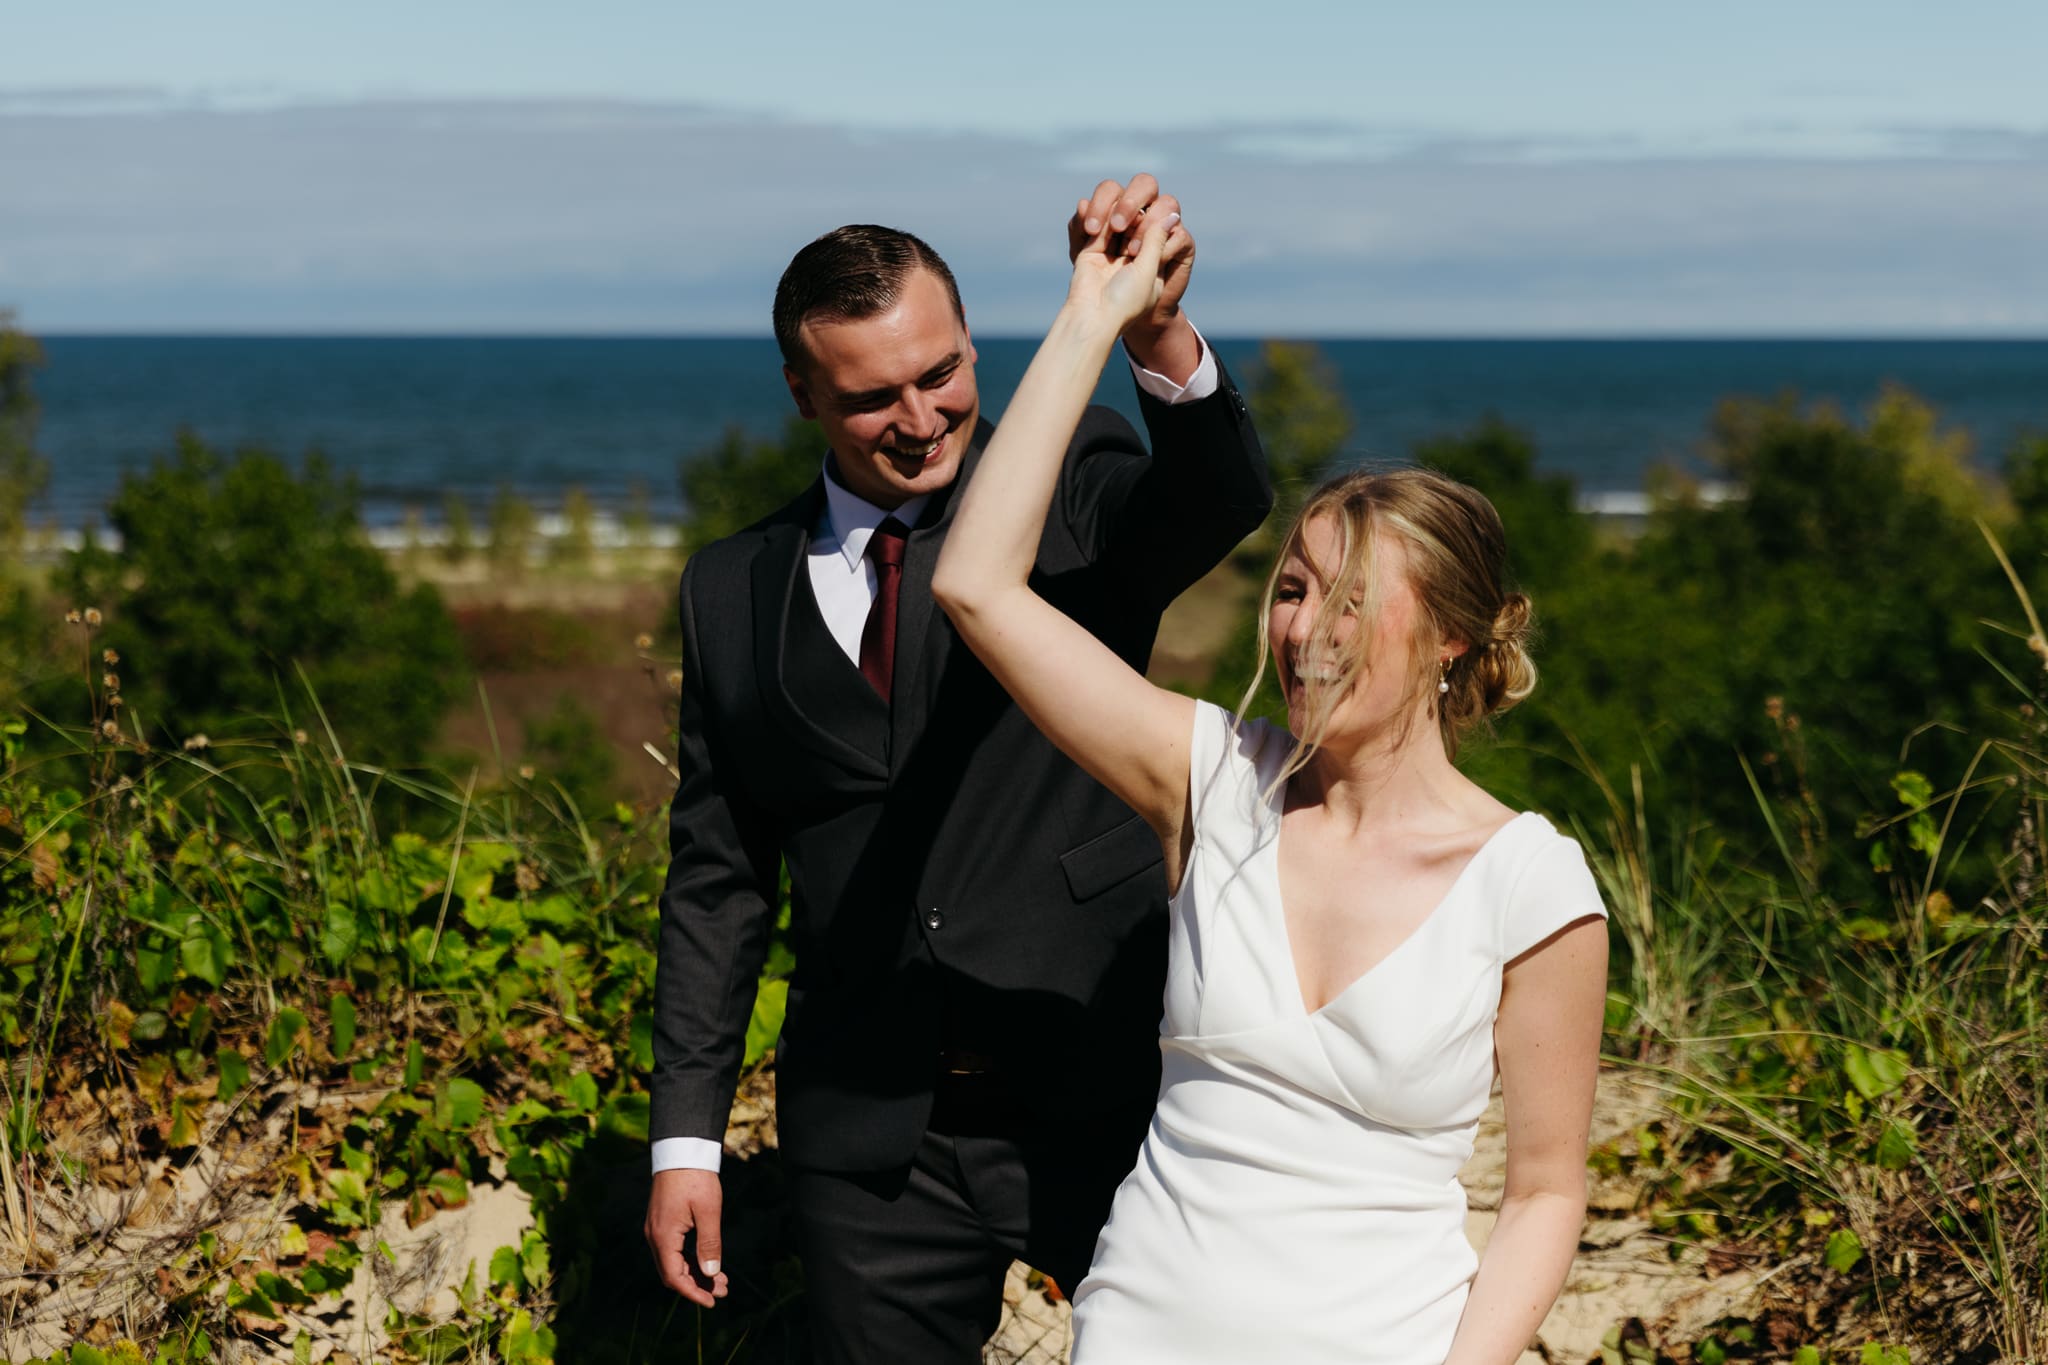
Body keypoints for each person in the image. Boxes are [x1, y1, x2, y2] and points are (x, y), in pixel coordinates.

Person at [931, 215, 1609, 1363]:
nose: (1306, 631)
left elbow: (1543, 1193)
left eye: (1350, 602)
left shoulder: (1527, 883)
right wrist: (1097, 313)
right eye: (1293, 590)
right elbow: (977, 585)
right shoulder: (1212, 782)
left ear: (1449, 638)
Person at [643, 176, 1271, 1362]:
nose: (921, 417)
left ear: (971, 342)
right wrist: (686, 1140)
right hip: (870, 1141)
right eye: (871, 396)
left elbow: (1215, 496)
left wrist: (1150, 334)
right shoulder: (727, 589)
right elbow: (718, 879)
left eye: (941, 374)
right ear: (801, 394)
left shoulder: (1068, 479)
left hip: (1107, 1088)